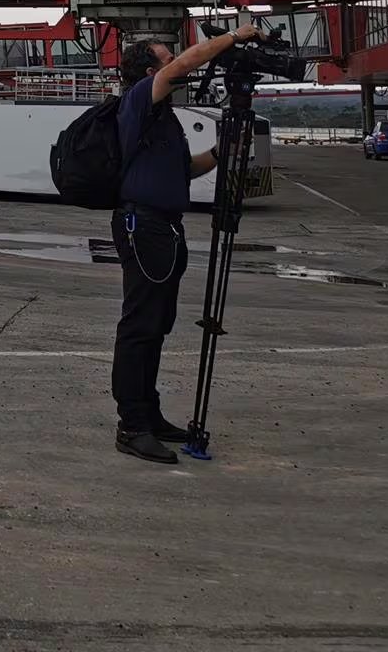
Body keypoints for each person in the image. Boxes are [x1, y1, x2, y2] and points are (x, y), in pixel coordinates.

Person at [110, 23, 263, 464]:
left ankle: (149, 414)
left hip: (165, 228)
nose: (179, 65)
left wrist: (218, 153)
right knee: (140, 327)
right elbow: (185, 64)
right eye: (166, 59)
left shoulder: (163, 117)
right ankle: (131, 426)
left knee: (157, 325)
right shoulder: (140, 98)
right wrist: (234, 37)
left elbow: (185, 170)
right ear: (150, 72)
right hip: (144, 228)